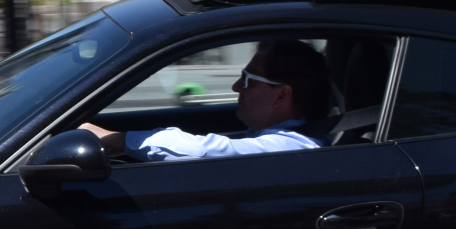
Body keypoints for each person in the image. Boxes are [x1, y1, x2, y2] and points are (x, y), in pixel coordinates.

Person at [80, 40, 332, 160]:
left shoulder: (293, 149)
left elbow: (204, 151)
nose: (236, 87)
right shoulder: (278, 140)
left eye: (247, 80)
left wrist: (116, 140)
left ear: (281, 94)